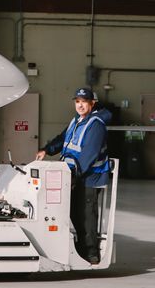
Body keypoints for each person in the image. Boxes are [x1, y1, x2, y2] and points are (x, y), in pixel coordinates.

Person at [35, 87, 111, 264]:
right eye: (77, 101)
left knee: (86, 215)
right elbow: (63, 138)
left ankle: (91, 252)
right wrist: (47, 150)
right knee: (73, 213)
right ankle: (81, 247)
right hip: (73, 176)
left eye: (84, 102)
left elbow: (89, 155)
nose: (80, 105)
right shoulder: (77, 121)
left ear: (92, 103)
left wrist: (73, 177)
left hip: (89, 178)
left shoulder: (96, 125)